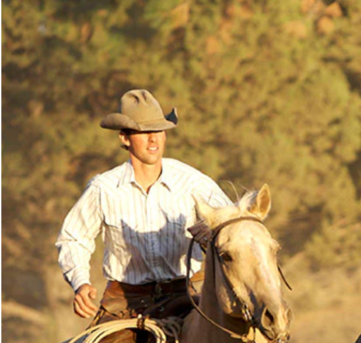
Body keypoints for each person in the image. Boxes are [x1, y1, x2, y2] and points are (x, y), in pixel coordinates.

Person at [56, 89, 232, 343]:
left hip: (187, 298)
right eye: (143, 132)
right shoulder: (103, 188)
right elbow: (74, 238)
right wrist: (81, 283)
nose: (154, 140)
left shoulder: (193, 183)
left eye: (159, 131)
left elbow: (229, 229)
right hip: (125, 303)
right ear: (125, 138)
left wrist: (210, 236)